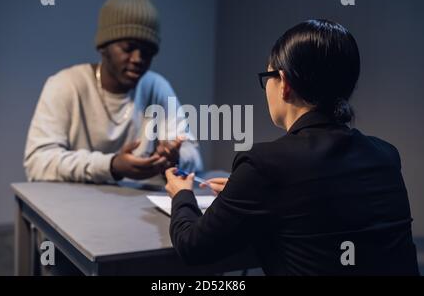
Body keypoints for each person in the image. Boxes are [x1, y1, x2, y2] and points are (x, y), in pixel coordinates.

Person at [164, 19, 419, 275]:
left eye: (267, 78)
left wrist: (182, 195)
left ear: (283, 82)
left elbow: (192, 247)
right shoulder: (386, 156)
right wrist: (243, 191)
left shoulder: (264, 165)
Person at [24, 0, 202, 186]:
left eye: (147, 52)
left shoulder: (156, 87)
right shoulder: (65, 85)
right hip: (71, 208)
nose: (138, 58)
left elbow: (194, 156)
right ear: (103, 47)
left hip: (134, 208)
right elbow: (37, 162)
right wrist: (112, 166)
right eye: (128, 48)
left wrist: (175, 157)